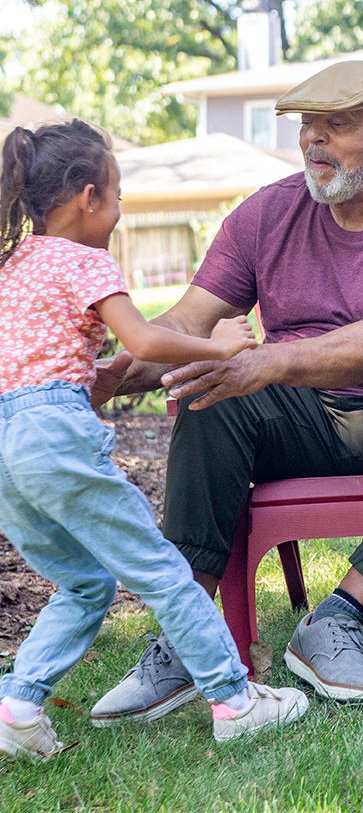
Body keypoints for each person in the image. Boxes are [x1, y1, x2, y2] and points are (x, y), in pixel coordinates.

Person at [90, 61, 363, 717]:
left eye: (338, 124)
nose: (313, 141)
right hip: (303, 417)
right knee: (213, 390)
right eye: (307, 125)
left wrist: (266, 363)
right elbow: (185, 326)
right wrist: (97, 382)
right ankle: (186, 635)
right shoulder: (263, 215)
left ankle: (338, 618)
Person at [0, 120, 309, 760]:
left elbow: (37, 366)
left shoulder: (11, 267)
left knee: (84, 584)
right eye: (116, 197)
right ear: (88, 197)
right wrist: (217, 343)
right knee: (165, 571)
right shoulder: (85, 261)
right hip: (55, 438)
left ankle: (17, 705)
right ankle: (235, 700)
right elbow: (144, 341)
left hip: (7, 445)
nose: (117, 213)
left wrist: (93, 374)